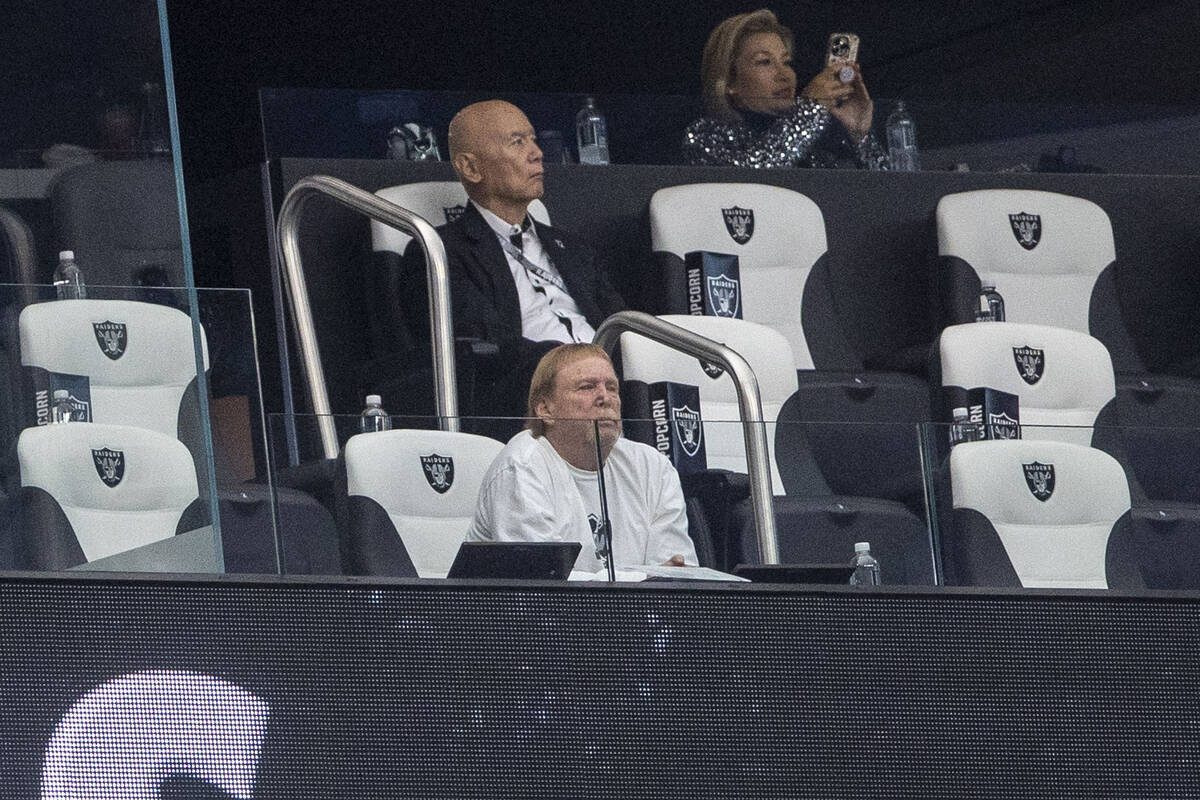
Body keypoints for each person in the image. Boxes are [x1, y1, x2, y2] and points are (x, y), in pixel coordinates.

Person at [398, 100, 626, 430]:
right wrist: (567, 363)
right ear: (471, 168)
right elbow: (485, 347)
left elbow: (621, 324)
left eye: (533, 140)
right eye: (517, 142)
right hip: (529, 392)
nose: (536, 153)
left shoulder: (573, 248)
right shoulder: (438, 252)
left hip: (608, 378)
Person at [467, 344, 698, 573]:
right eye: (587, 387)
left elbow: (677, 575)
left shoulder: (653, 467)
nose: (605, 398)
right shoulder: (521, 466)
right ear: (545, 409)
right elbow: (544, 586)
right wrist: (643, 583)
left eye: (612, 388)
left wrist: (648, 584)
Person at [682, 9, 887, 169]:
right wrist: (808, 110)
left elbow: (891, 199)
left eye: (787, 62)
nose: (784, 74)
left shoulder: (814, 140)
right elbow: (749, 181)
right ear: (729, 82)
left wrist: (862, 138)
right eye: (764, 62)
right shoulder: (704, 135)